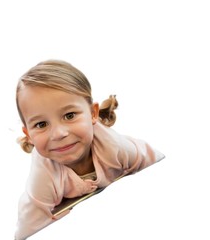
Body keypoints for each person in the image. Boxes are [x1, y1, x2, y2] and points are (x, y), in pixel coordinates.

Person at [14, 59, 164, 239]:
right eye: (41, 124)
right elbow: (27, 230)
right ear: (28, 133)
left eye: (69, 115)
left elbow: (158, 164)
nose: (59, 134)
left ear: (93, 113)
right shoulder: (43, 175)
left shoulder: (113, 146)